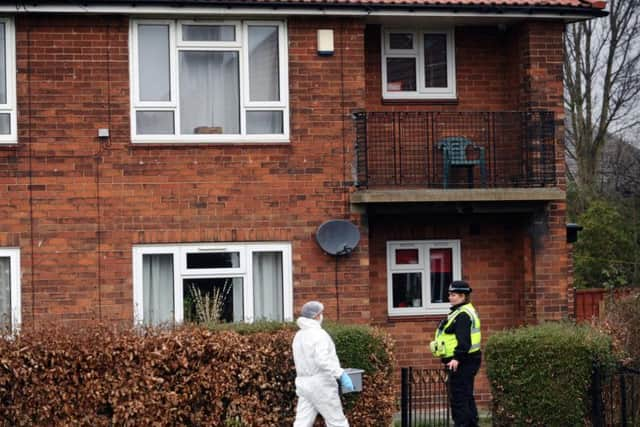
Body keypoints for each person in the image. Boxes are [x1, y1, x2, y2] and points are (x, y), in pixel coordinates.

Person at [292, 301, 353, 427]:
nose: (322, 316)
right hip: (321, 383)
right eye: (321, 313)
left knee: (302, 422)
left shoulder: (298, 335)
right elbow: (322, 360)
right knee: (337, 421)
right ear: (315, 316)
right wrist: (340, 373)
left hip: (303, 384)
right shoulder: (319, 334)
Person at [430, 280, 482, 427]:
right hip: (467, 360)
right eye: (449, 294)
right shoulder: (461, 311)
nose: (450, 297)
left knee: (459, 399)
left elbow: (464, 341)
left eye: (454, 295)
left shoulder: (463, 315)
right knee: (466, 396)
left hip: (462, 362)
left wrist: (456, 359)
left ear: (463, 296)